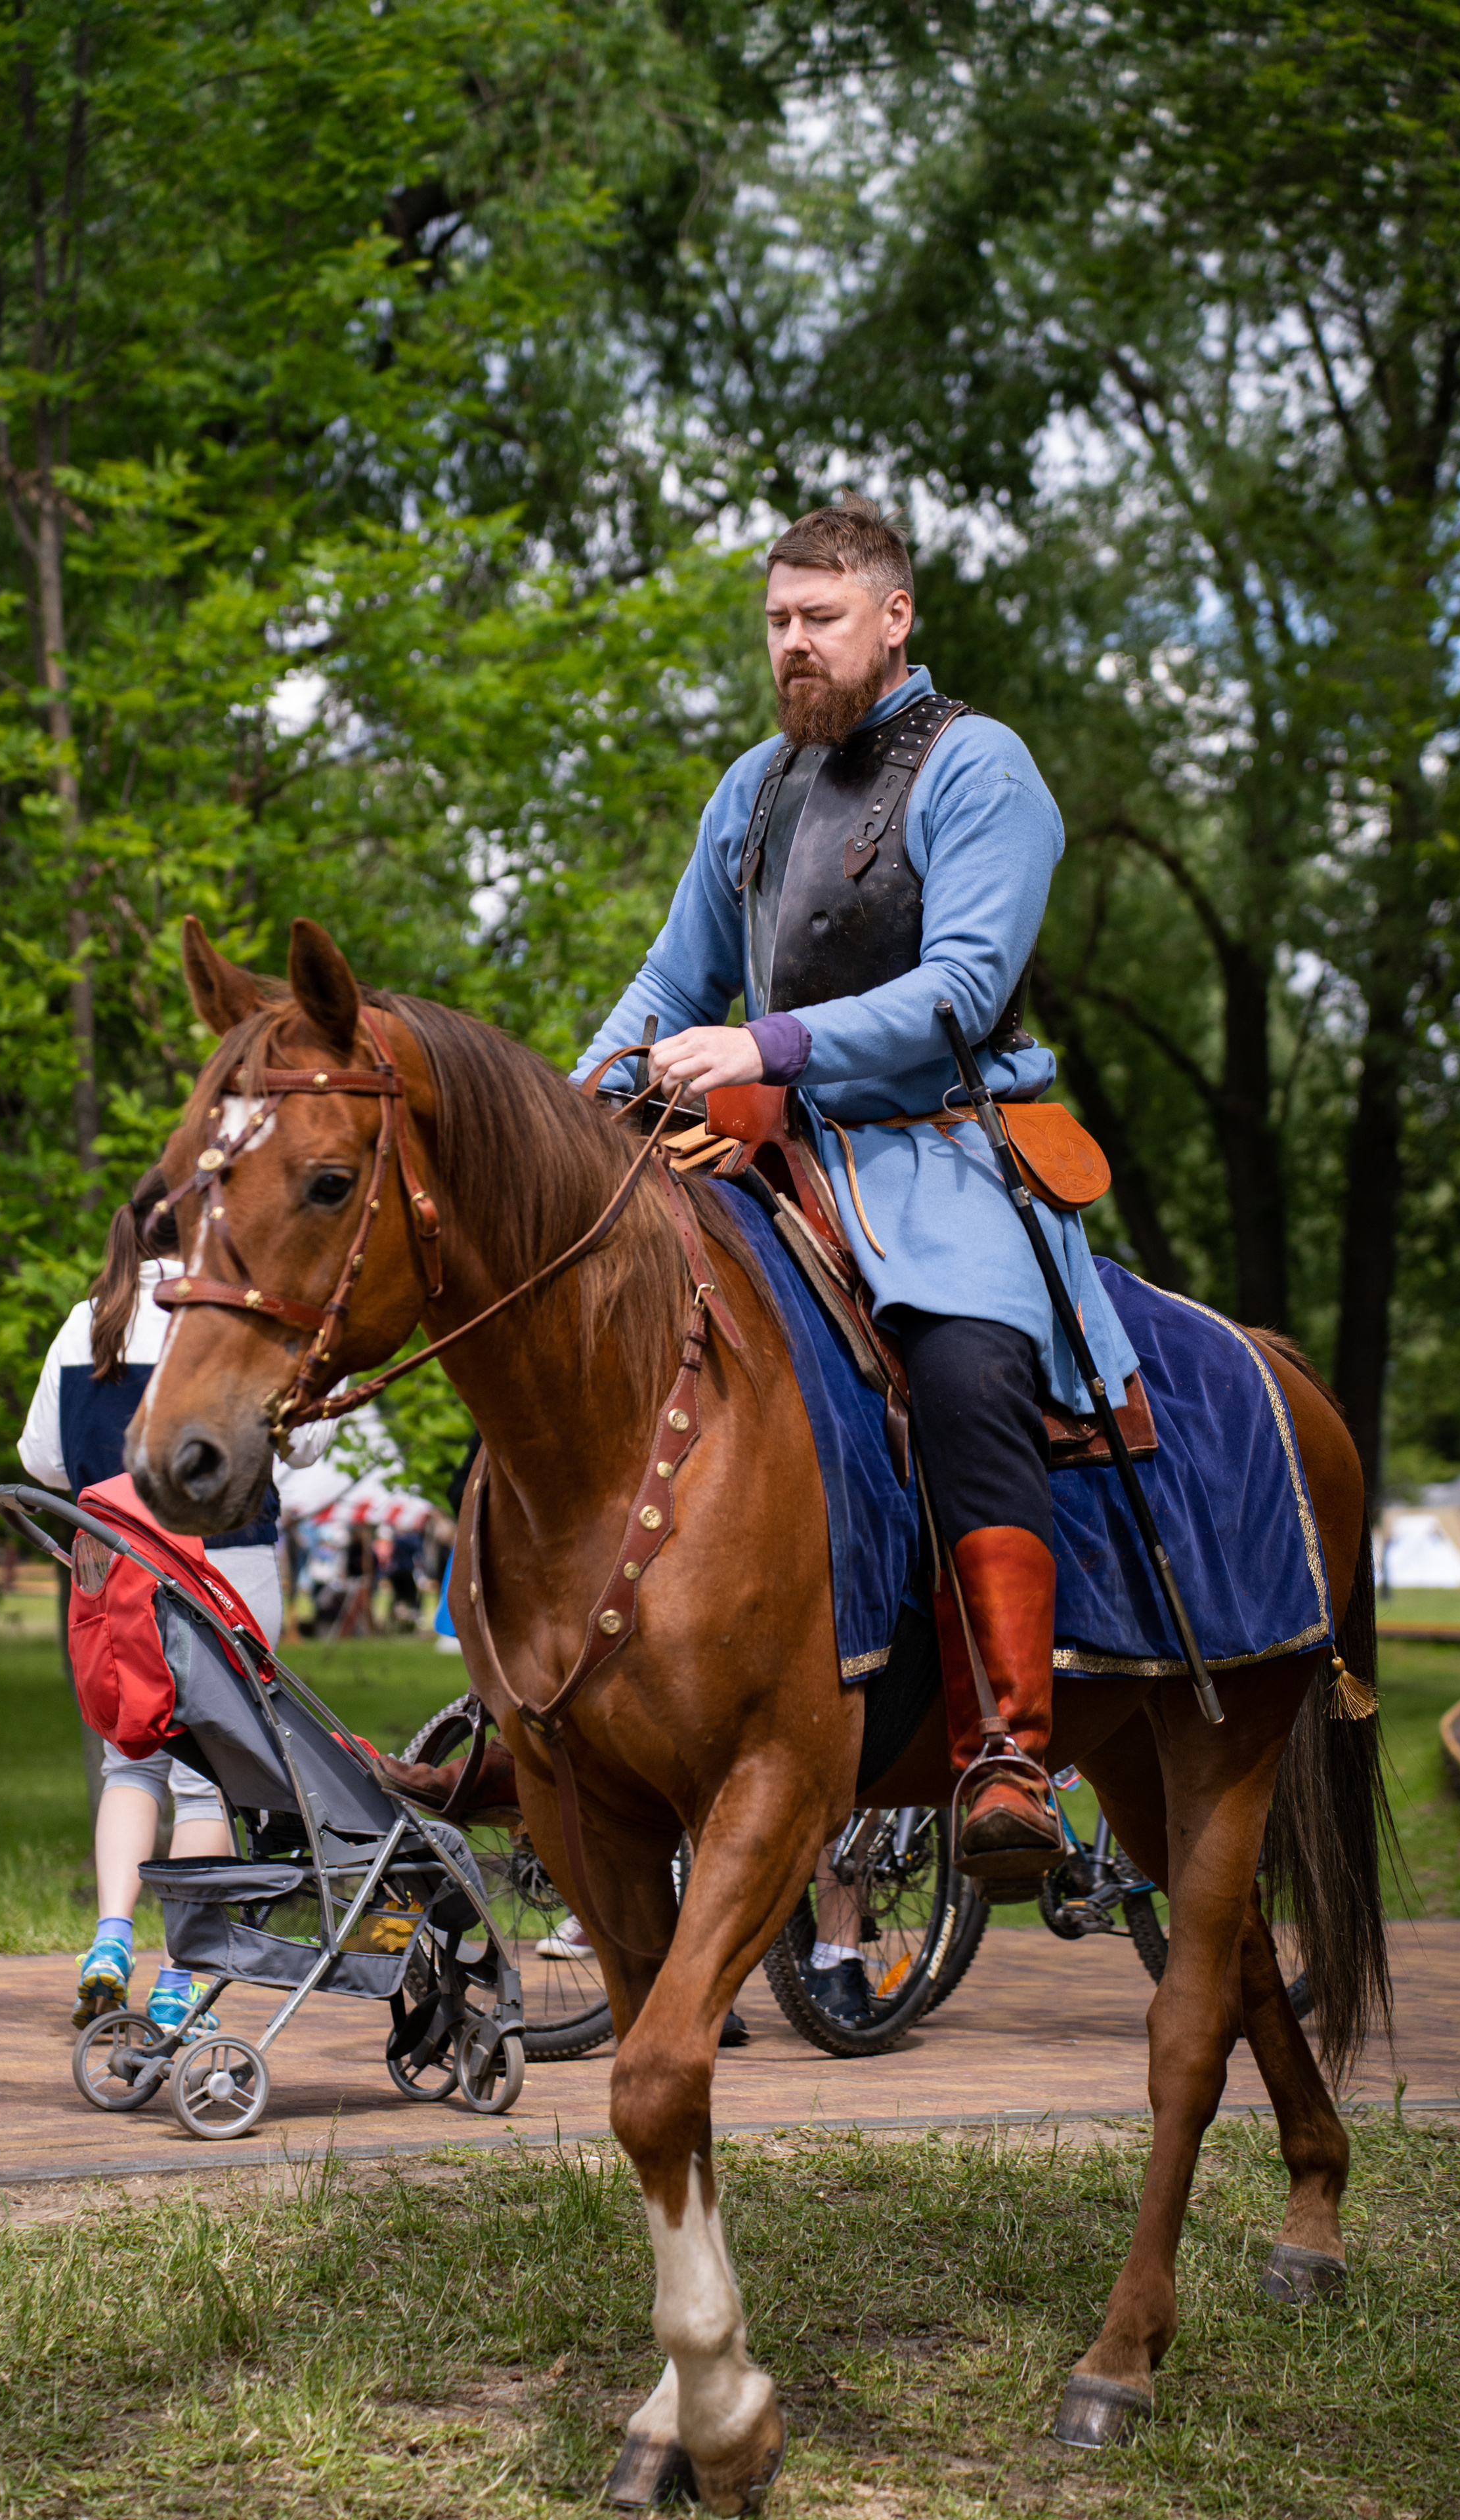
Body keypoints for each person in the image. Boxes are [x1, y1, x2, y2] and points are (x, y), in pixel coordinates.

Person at [572, 495, 1140, 1892]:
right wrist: (576, 1103)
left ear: (893, 620)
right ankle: (545, 1699)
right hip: (765, 1163)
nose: (792, 646)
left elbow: (958, 989)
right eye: (775, 621)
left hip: (943, 1159)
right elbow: (668, 982)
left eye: (818, 618)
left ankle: (1005, 1748)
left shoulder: (980, 768)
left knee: (961, 1370)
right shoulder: (753, 789)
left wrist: (763, 1046)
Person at [17, 1168, 337, 2030]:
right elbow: (306, 1443)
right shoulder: (235, 1315)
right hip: (224, 1566)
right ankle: (180, 1973)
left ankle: (109, 1941)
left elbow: (43, 1459)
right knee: (209, 1781)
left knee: (133, 1762)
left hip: (115, 1573)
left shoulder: (90, 1323)